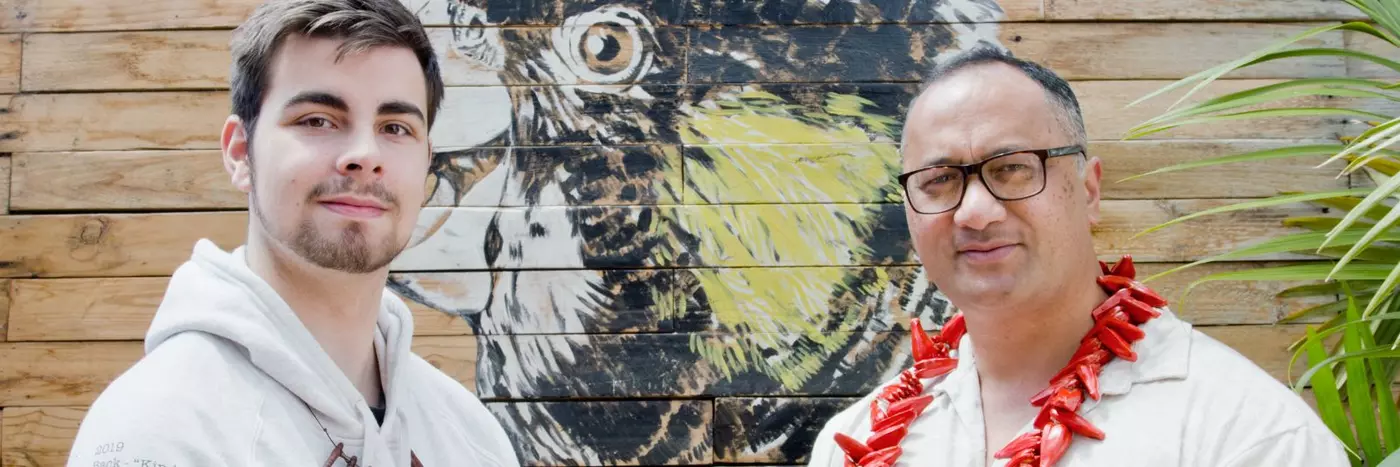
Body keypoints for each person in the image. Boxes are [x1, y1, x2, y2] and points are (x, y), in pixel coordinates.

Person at [805, 47, 1349, 467]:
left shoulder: (1247, 434)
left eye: (1012, 168)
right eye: (939, 180)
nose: (974, 211)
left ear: (1088, 190)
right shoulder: (852, 443)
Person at [65, 1, 519, 465]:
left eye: (395, 127)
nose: (364, 153)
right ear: (241, 152)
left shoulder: (470, 434)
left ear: (426, 160)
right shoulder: (162, 429)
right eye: (317, 120)